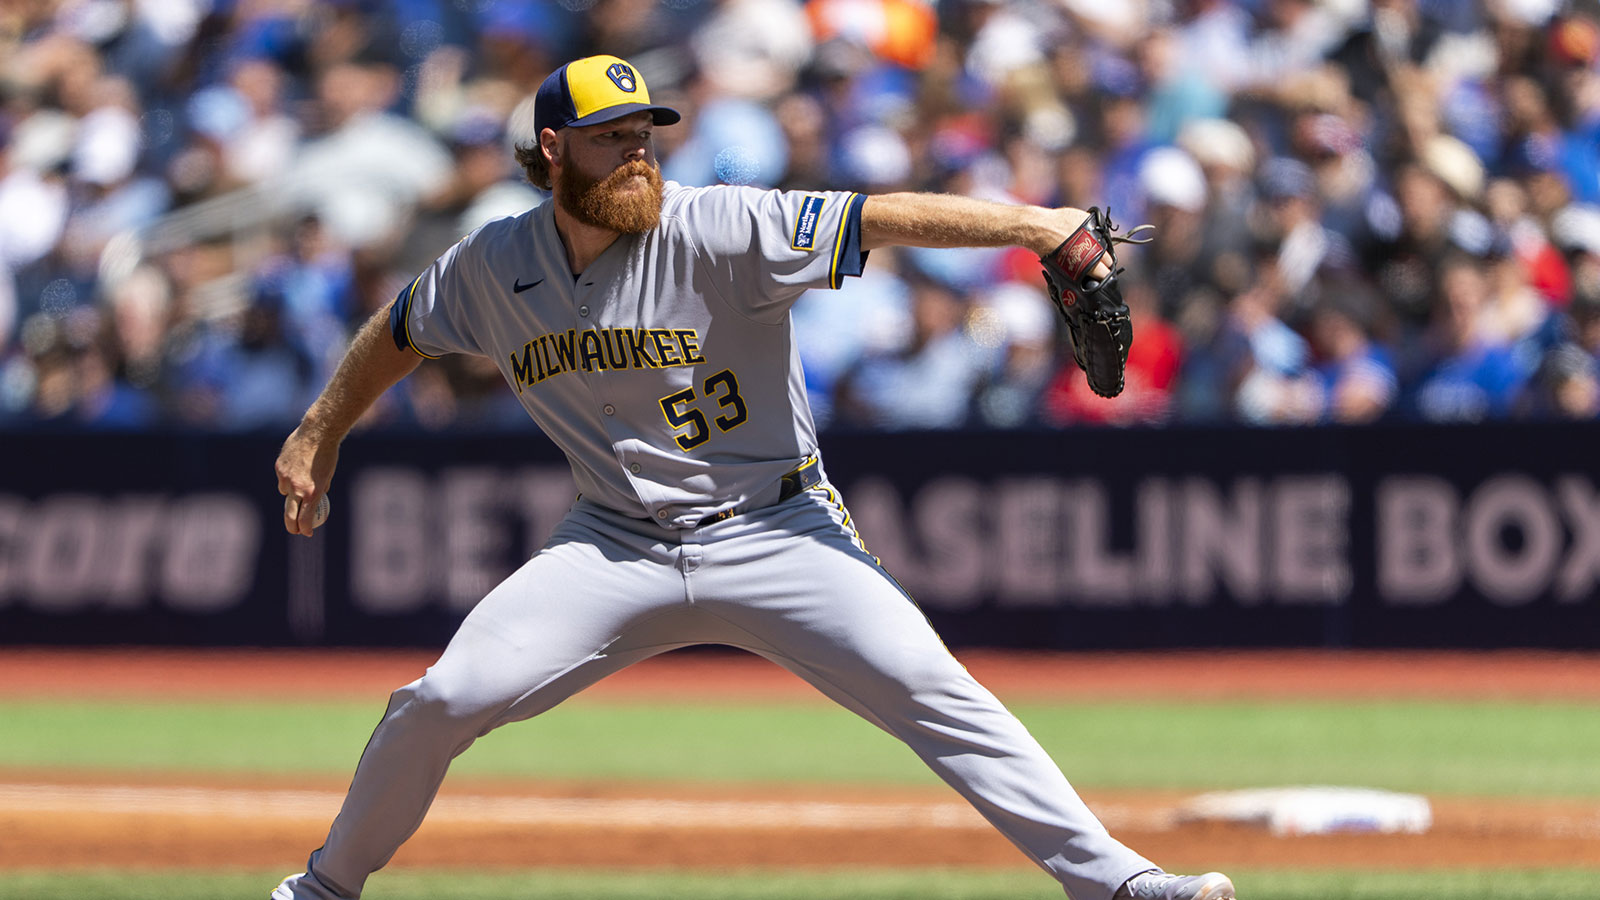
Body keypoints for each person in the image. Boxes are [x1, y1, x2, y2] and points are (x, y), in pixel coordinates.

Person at [270, 54, 1237, 900]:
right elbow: (400, 330)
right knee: (439, 701)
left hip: (779, 530)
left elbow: (881, 217)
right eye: (611, 138)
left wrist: (1034, 225)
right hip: (613, 542)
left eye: (648, 132)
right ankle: (324, 887)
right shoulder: (493, 264)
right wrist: (321, 431)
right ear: (553, 149)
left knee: (935, 691)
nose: (638, 152)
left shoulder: (720, 226)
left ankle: (1118, 884)